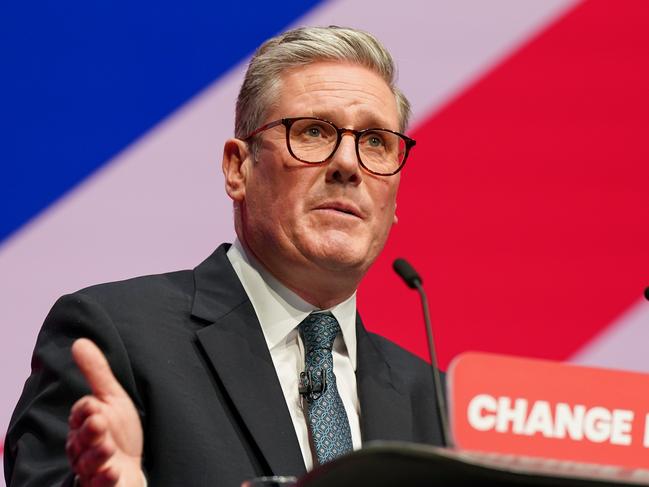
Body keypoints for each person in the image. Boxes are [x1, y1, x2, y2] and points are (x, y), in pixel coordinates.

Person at [4, 26, 444, 487]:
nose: (349, 165)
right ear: (238, 168)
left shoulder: (434, 401)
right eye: (314, 131)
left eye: (376, 141)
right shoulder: (115, 337)